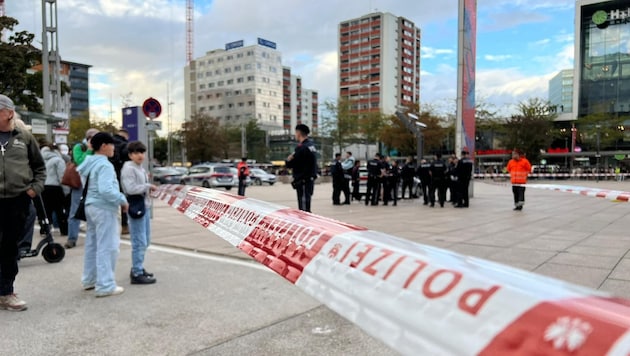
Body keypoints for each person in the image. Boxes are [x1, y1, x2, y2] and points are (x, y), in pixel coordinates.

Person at [0, 94, 46, 311]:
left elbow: (39, 167)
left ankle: (6, 293)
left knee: (10, 249)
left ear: (9, 112)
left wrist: (33, 190)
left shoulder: (25, 137)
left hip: (17, 201)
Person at [77, 132, 129, 297]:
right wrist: (122, 199)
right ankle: (105, 285)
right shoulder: (105, 165)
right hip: (104, 207)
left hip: (90, 206)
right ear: (104, 146)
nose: (114, 148)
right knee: (108, 246)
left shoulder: (89, 163)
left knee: (92, 245)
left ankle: (89, 279)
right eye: (112, 144)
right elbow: (106, 190)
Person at [121, 141, 157, 285]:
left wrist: (148, 190)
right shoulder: (129, 168)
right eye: (136, 153)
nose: (140, 155)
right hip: (136, 206)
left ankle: (139, 267)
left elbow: (140, 187)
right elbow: (130, 188)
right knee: (139, 241)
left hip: (144, 205)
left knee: (145, 240)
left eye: (141, 152)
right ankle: (136, 272)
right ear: (130, 155)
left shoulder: (140, 168)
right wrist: (148, 186)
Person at [65, 128, 98, 249]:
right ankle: (72, 238)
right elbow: (80, 161)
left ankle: (94, 237)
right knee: (74, 211)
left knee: (94, 211)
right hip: (79, 184)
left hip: (94, 183)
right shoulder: (79, 147)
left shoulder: (99, 150)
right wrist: (89, 150)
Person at [285, 124, 318, 212]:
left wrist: (288, 160)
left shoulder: (301, 148)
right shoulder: (311, 146)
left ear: (298, 133)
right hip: (309, 180)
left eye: (295, 133)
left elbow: (290, 163)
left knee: (303, 209)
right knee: (307, 204)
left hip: (303, 180)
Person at [41, 143, 68, 235]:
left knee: (46, 210)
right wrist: (66, 190)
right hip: (55, 187)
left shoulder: (41, 159)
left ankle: (44, 229)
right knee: (59, 210)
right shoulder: (58, 160)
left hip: (44, 186)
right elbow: (62, 176)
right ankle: (64, 230)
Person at [111, 128, 130, 235]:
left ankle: (112, 225)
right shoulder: (125, 144)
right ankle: (124, 225)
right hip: (120, 175)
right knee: (123, 200)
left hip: (109, 174)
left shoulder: (109, 142)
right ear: (126, 136)